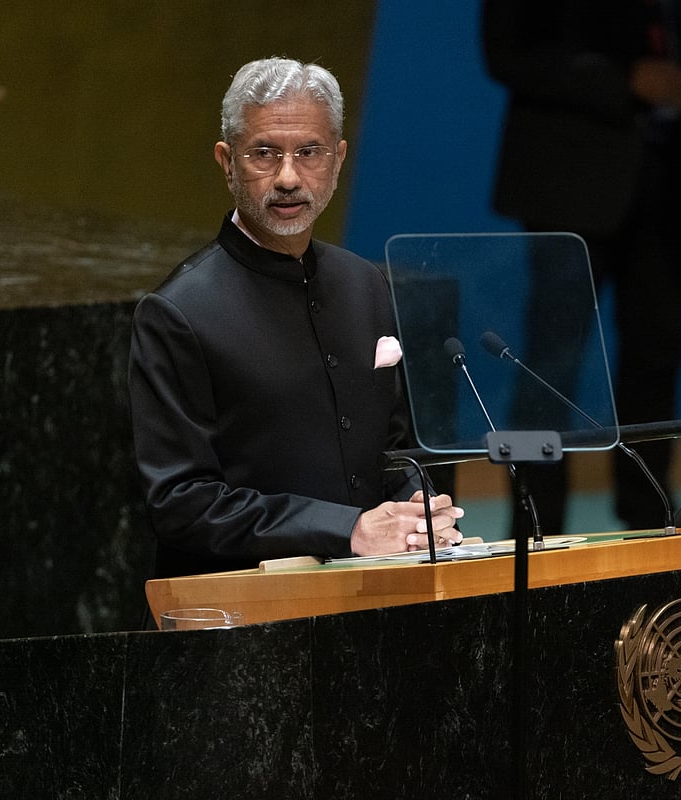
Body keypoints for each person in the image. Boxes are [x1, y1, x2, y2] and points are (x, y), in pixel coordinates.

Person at [129, 57, 463, 578]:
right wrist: (347, 530)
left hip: (370, 600)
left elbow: (393, 449)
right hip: (241, 622)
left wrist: (420, 512)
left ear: (338, 159)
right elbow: (181, 502)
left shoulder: (365, 284)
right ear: (227, 161)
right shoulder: (177, 312)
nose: (288, 176)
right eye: (265, 153)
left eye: (309, 152)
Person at [481, 0, 681, 532]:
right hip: (570, 179)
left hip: (673, 179)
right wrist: (626, 79)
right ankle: (534, 528)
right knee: (548, 365)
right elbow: (508, 53)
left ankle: (650, 519)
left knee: (658, 355)